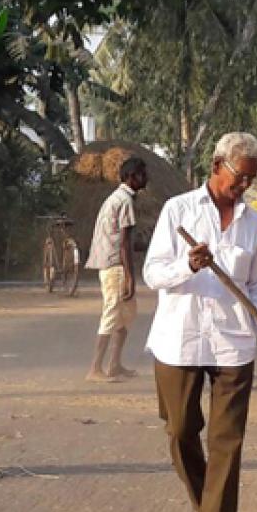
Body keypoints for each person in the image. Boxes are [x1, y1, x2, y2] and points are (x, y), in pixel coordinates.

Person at [144, 132, 257, 512]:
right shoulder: (178, 211)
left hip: (233, 344)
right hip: (180, 340)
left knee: (227, 439)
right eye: (238, 177)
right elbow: (153, 274)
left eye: (250, 179)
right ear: (216, 167)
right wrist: (186, 265)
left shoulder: (253, 223)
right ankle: (205, 507)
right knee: (179, 431)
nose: (243, 186)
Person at [85, 157, 148, 382]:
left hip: (112, 263)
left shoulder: (117, 198)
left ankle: (114, 365)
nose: (146, 178)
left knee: (126, 314)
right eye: (142, 174)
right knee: (112, 312)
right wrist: (130, 277)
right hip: (115, 266)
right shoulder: (125, 201)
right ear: (131, 177)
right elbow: (123, 242)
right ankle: (95, 368)